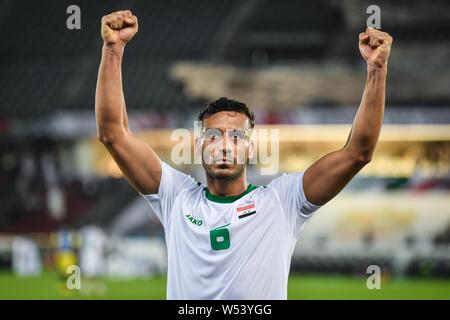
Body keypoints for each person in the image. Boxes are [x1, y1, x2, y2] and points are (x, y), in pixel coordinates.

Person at [95, 10, 393, 299]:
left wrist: (377, 70)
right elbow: (113, 134)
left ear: (250, 148)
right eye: (213, 136)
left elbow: (358, 152)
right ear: (199, 145)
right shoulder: (175, 196)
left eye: (236, 137)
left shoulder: (282, 201)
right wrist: (113, 48)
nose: (225, 145)